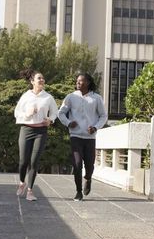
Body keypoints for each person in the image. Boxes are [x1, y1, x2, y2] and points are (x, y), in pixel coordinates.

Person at [58, 73, 108, 201]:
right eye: (77, 81)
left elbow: (103, 116)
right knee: (77, 164)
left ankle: (88, 178)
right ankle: (78, 192)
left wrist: (96, 127)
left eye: (81, 81)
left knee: (89, 165)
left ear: (88, 83)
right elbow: (61, 113)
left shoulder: (96, 98)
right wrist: (69, 123)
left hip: (90, 138)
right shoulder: (71, 97)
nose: (78, 83)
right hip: (75, 136)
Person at [14, 69, 58, 201]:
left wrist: (50, 120)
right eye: (39, 78)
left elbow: (55, 113)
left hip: (41, 131)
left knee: (34, 162)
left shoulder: (48, 97)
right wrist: (27, 114)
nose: (42, 80)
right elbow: (17, 113)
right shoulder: (26, 96)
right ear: (32, 81)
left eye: (43, 78)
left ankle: (30, 191)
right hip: (26, 130)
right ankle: (22, 182)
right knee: (23, 161)